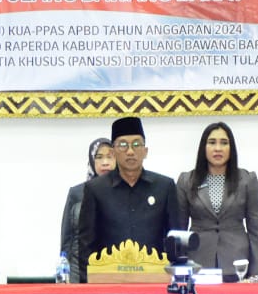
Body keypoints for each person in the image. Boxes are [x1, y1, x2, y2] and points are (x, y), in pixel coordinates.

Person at [76, 116, 186, 281]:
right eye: (123, 145)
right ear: (113, 152)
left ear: (145, 151)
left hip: (155, 281)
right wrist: (90, 285)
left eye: (136, 144)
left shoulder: (165, 187)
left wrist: (177, 280)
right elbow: (86, 245)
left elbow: (176, 239)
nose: (130, 151)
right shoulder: (95, 189)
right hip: (108, 282)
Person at [175, 122, 258, 278]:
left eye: (224, 143)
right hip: (198, 261)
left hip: (237, 262)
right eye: (212, 142)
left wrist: (255, 273)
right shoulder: (186, 180)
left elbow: (256, 231)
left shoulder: (247, 180)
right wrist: (179, 269)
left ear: (231, 148)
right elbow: (179, 230)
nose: (218, 148)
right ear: (203, 147)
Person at [59, 137, 114, 283]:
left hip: (113, 269)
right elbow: (67, 237)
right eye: (99, 157)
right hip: (78, 270)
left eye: (110, 156)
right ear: (91, 160)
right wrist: (64, 270)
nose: (105, 162)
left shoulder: (125, 192)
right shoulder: (76, 193)